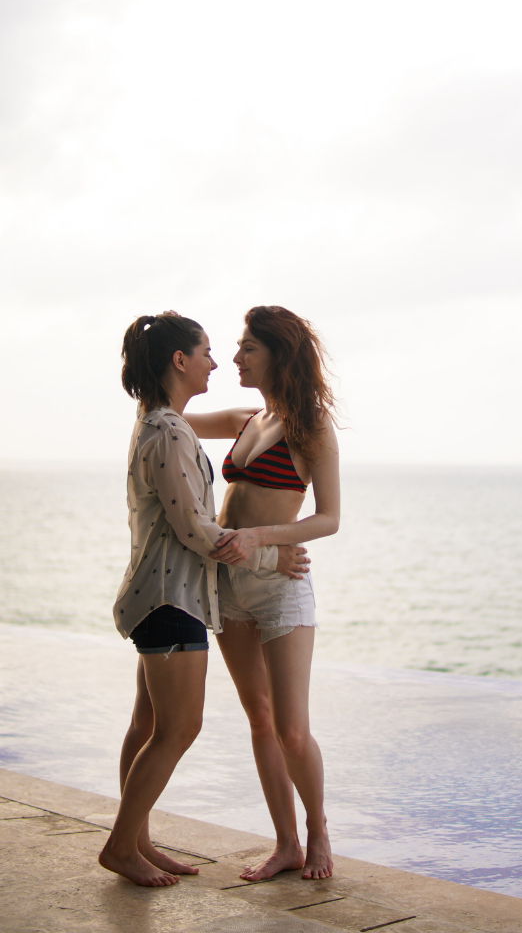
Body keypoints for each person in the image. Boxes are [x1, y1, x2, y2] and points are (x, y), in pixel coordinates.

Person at [99, 312, 305, 887]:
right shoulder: (167, 433)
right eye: (208, 352)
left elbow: (238, 424)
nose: (217, 362)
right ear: (179, 362)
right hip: (171, 600)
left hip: (161, 595)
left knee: (147, 723)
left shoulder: (162, 422)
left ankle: (136, 842)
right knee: (178, 728)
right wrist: (273, 555)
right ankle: (122, 846)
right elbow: (195, 529)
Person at [184, 305, 340, 882]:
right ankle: (285, 844)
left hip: (280, 585)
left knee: (291, 728)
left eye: (248, 347)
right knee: (259, 719)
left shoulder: (311, 426)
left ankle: (319, 830)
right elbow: (176, 417)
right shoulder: (250, 419)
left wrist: (259, 537)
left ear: (279, 354)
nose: (236, 358)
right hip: (227, 588)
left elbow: (328, 519)